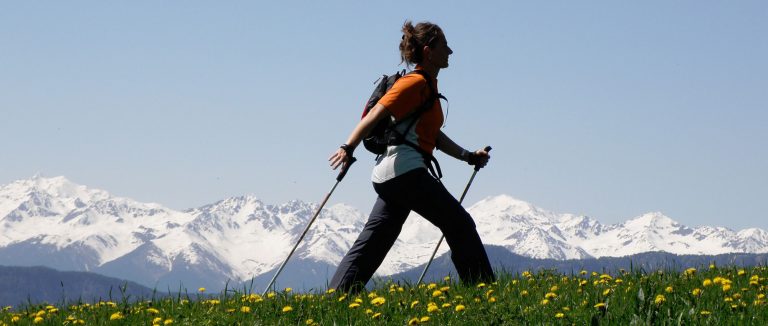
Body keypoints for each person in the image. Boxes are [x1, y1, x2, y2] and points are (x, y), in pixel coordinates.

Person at [328, 20, 495, 292]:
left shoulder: (426, 86)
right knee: (460, 225)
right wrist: (348, 147)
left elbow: (434, 136)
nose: (451, 51)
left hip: (390, 175)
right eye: (445, 46)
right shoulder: (413, 83)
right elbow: (375, 115)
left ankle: (336, 296)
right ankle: (484, 294)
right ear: (429, 51)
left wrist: (468, 156)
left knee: (374, 242)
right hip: (406, 173)